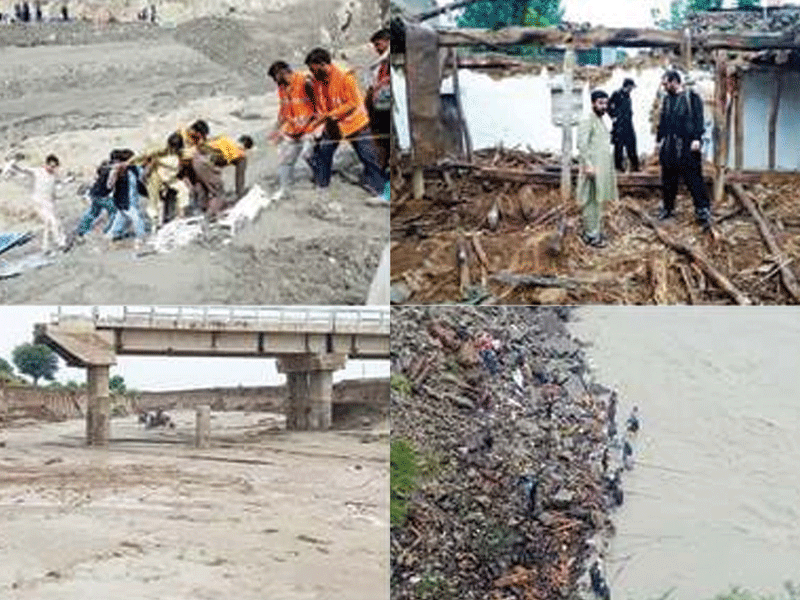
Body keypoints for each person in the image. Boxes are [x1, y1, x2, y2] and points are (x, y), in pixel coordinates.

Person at [304, 47, 389, 203]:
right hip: (333, 125)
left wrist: (329, 115)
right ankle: (322, 184)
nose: (311, 72)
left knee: (368, 157)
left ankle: (380, 190)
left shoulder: (345, 76)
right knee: (324, 153)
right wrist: (317, 123)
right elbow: (321, 103)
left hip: (355, 124)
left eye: (313, 68)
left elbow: (352, 103)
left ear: (323, 64)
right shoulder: (318, 80)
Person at [657, 70, 712, 230]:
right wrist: (659, 140)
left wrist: (697, 138)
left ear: (675, 81)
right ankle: (668, 208)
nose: (665, 86)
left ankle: (702, 210)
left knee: (694, 178)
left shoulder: (692, 97)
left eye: (666, 83)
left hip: (688, 144)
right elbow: (663, 121)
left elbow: (699, 119)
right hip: (670, 146)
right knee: (668, 178)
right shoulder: (667, 99)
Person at [267, 60, 317, 202]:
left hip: (309, 127)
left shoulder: (304, 81)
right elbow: (283, 110)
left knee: (308, 155)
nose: (274, 81)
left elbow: (317, 104)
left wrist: (310, 121)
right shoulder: (282, 88)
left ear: (281, 73)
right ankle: (284, 189)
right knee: (285, 160)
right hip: (292, 129)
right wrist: (276, 129)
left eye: (274, 77)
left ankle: (320, 179)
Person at [577, 90, 618, 248]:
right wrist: (588, 165)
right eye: (601, 103)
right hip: (592, 168)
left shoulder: (600, 120)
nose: (604, 106)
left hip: (600, 169)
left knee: (597, 201)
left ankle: (594, 231)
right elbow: (582, 145)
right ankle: (591, 236)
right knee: (591, 202)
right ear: (593, 103)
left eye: (606, 103)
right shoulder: (588, 119)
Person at [8, 154, 66, 254]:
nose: (52, 168)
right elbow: (22, 169)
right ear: (46, 164)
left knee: (49, 224)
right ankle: (61, 244)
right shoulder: (37, 171)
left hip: (49, 203)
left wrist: (65, 183)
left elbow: (57, 185)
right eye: (51, 166)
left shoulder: (53, 176)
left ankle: (46, 248)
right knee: (53, 222)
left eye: (54, 167)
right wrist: (14, 163)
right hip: (39, 202)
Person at [66, 150, 122, 250]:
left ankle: (81, 230)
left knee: (93, 212)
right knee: (115, 211)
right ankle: (108, 231)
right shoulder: (113, 170)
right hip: (102, 195)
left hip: (93, 193)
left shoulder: (104, 165)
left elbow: (97, 176)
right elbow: (110, 185)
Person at [135, 132, 191, 226]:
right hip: (157, 180)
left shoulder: (179, 155)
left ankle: (181, 215)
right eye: (173, 147)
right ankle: (156, 225)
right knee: (157, 203)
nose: (174, 149)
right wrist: (146, 175)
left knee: (183, 191)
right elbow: (151, 164)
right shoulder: (162, 155)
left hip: (170, 180)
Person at [107, 149, 148, 250]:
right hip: (124, 202)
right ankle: (141, 237)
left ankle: (110, 237)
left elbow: (144, 176)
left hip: (132, 202)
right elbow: (109, 186)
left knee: (118, 224)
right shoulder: (116, 172)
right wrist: (115, 172)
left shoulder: (134, 169)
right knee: (137, 219)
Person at [366, 28, 391, 171]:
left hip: (385, 106)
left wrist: (379, 86)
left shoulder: (388, 60)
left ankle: (383, 167)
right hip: (379, 106)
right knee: (381, 138)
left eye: (378, 44)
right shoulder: (381, 62)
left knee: (383, 137)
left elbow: (385, 81)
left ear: (388, 42)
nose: (376, 49)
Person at [608, 78, 639, 172]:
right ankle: (618, 167)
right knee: (619, 146)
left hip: (628, 123)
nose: (632, 89)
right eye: (631, 87)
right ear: (627, 86)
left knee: (632, 143)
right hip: (619, 124)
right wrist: (613, 116)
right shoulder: (617, 93)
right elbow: (609, 105)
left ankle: (635, 166)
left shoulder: (628, 95)